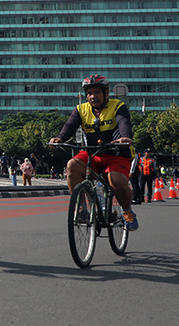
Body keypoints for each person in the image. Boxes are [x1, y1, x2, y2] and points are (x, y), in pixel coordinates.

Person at [49, 74, 138, 231]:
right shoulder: (81, 110)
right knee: (72, 167)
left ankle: (127, 211)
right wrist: (59, 138)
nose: (92, 96)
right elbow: (69, 127)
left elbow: (124, 123)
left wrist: (125, 137)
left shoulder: (117, 106)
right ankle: (82, 209)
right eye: (89, 93)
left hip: (116, 153)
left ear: (106, 93)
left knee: (115, 180)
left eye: (97, 92)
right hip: (91, 154)